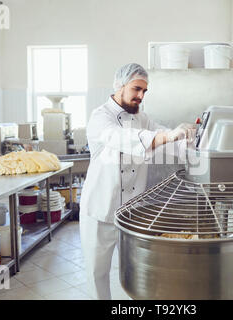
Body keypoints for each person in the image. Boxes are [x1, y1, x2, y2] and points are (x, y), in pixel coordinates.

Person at [79, 63, 196, 299]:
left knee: (137, 271)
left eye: (144, 91)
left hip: (130, 212)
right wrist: (166, 135)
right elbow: (122, 138)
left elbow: (167, 141)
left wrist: (191, 140)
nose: (141, 96)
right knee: (97, 273)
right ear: (120, 86)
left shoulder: (142, 118)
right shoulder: (100, 117)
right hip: (99, 211)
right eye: (136, 89)